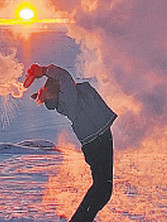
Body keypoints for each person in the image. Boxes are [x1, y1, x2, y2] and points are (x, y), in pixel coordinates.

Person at [24, 63, 117, 222]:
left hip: (97, 140)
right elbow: (64, 77)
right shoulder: (68, 98)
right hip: (97, 141)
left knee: (102, 189)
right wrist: (44, 71)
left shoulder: (70, 97)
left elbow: (65, 80)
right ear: (58, 88)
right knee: (102, 189)